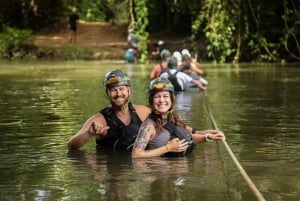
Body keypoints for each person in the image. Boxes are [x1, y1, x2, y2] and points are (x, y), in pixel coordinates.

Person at [131, 77, 225, 158]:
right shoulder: (149, 126)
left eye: (165, 96)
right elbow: (136, 155)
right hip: (159, 173)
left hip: (177, 170)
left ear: (171, 99)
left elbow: (190, 134)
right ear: (151, 101)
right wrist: (167, 148)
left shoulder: (170, 118)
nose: (162, 100)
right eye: (157, 97)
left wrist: (209, 136)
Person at [67, 69, 151, 150]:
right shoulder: (100, 120)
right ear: (107, 93)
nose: (118, 94)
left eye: (121, 89)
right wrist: (89, 134)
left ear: (129, 91)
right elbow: (71, 145)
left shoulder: (143, 112)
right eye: (113, 90)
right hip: (112, 162)